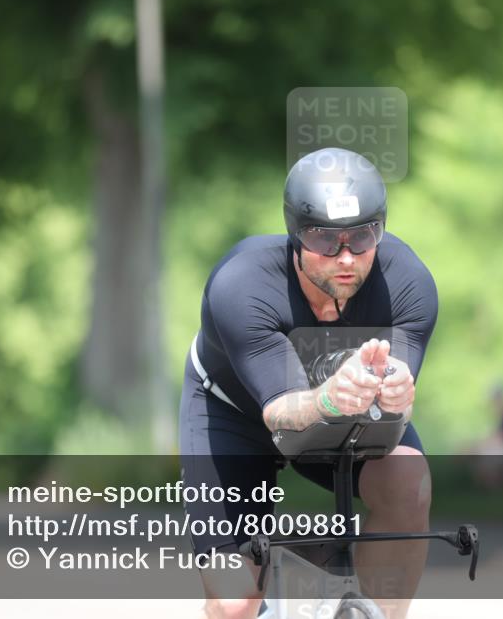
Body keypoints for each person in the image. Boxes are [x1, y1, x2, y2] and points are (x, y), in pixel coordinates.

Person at [179, 147, 438, 619]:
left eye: (362, 237)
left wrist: (398, 396)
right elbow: (282, 413)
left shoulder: (408, 283)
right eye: (325, 240)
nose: (345, 257)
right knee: (235, 602)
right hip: (232, 412)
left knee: (407, 478)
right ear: (296, 236)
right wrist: (329, 399)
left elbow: (394, 399)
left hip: (345, 409)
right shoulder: (241, 284)